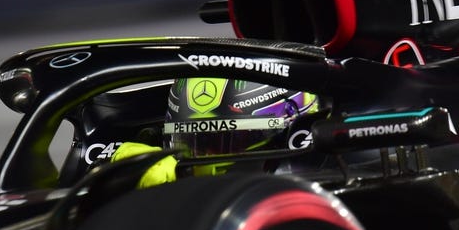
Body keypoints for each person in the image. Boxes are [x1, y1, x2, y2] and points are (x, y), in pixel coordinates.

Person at [112, 78, 320, 188]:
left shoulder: (336, 169)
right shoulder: (150, 176)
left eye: (232, 140)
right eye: (193, 142)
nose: (206, 159)